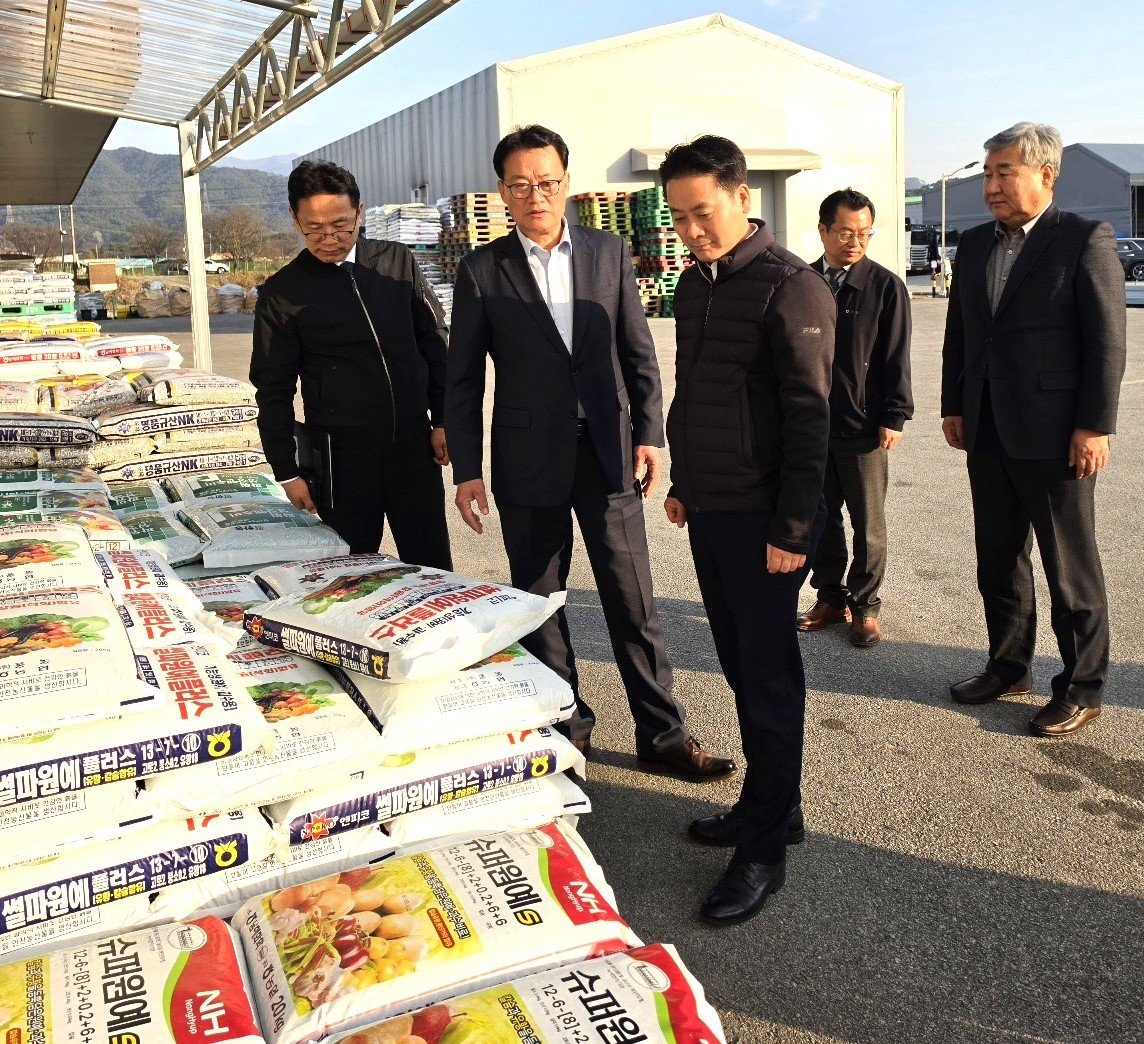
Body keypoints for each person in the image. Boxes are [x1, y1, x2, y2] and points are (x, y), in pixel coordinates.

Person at [446, 124, 734, 783]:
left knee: (633, 601)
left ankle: (662, 734)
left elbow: (637, 351)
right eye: (521, 185)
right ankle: (563, 731)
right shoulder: (482, 270)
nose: (536, 195)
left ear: (567, 184)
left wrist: (650, 433)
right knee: (540, 605)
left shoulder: (608, 252)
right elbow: (461, 380)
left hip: (609, 454)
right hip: (526, 461)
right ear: (503, 192)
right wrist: (467, 469)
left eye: (547, 182)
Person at [660, 135, 835, 924]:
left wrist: (793, 528)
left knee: (767, 681)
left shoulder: (791, 287)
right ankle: (775, 804)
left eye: (703, 212)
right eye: (679, 217)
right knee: (739, 663)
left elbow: (810, 419)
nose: (692, 230)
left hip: (767, 521)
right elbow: (696, 390)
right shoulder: (694, 284)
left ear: (741, 197)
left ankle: (763, 850)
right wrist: (686, 483)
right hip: (713, 509)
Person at [941, 122, 1126, 736]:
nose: (991, 185)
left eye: (1005, 172)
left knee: (1068, 565)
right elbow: (962, 332)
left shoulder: (1082, 239)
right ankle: (1008, 665)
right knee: (998, 558)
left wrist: (1093, 425)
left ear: (1046, 174)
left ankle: (1082, 686)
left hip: (1055, 433)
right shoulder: (975, 244)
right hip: (988, 424)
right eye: (987, 173)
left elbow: (1106, 342)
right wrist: (954, 403)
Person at [251, 161, 452, 569]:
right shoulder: (282, 294)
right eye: (314, 229)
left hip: (412, 447)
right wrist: (286, 471)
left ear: (359, 212)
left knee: (432, 567)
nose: (329, 239)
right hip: (341, 460)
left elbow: (435, 343)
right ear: (295, 219)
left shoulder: (396, 262)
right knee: (352, 574)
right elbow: (273, 389)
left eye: (341, 225)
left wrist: (444, 419)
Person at [798, 188, 913, 648]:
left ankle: (865, 606)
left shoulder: (885, 287)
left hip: (863, 427)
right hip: (812, 426)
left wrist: (895, 415)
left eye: (864, 233)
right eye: (846, 232)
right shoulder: (802, 282)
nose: (855, 242)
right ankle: (830, 598)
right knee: (821, 518)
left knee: (868, 525)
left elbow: (896, 357)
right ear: (823, 230)